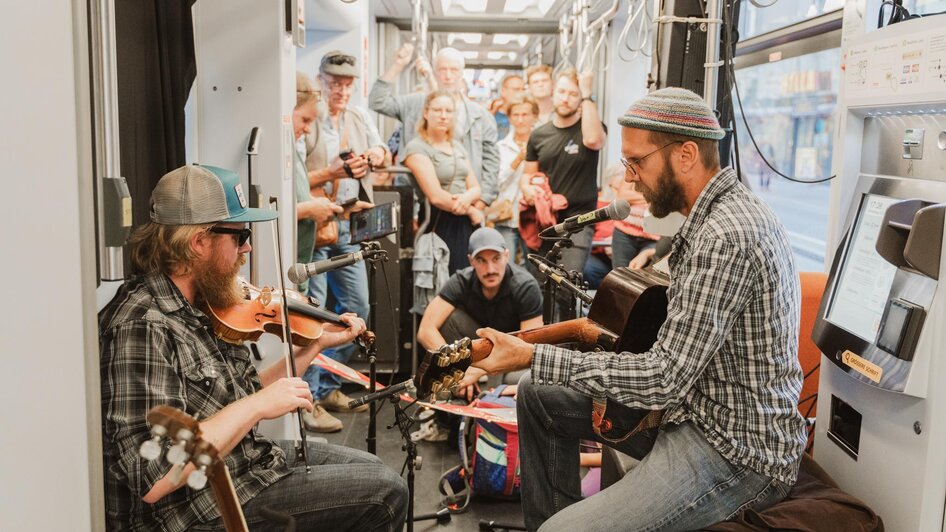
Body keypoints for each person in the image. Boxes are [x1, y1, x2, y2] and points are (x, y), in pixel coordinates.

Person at [472, 88, 806, 531]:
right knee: (538, 395)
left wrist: (534, 354)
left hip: (737, 451)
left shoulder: (728, 234)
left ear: (686, 154)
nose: (630, 179)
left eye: (637, 162)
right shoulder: (707, 219)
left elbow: (662, 380)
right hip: (694, 411)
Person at [99, 164, 408, 531]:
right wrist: (257, 406)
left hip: (245, 463)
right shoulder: (143, 325)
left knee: (377, 470)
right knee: (385, 492)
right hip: (195, 508)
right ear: (199, 242)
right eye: (241, 234)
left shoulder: (205, 302)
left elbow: (243, 396)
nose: (248, 247)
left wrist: (315, 345)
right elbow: (151, 477)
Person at [300, 51, 388, 433]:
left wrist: (373, 156)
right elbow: (296, 178)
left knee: (357, 308)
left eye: (347, 83)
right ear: (321, 80)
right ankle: (310, 398)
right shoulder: (306, 119)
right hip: (318, 227)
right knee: (314, 315)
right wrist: (332, 171)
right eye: (334, 81)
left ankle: (330, 385)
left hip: (350, 226)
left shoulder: (359, 115)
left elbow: (384, 152)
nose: (340, 89)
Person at [370, 43, 500, 209]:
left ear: (462, 73)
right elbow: (377, 101)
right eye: (442, 69)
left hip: (467, 201)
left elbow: (491, 162)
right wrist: (399, 65)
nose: (448, 76)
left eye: (453, 70)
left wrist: (482, 202)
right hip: (416, 200)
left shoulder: (481, 116)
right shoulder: (415, 104)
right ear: (433, 71)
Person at [520, 68, 607, 278]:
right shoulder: (539, 134)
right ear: (553, 93)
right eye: (562, 92)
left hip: (578, 221)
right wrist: (528, 189)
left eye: (573, 94)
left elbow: (594, 140)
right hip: (544, 220)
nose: (566, 98)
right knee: (541, 284)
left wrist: (587, 94)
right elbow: (527, 175)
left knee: (566, 285)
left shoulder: (589, 128)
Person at [402, 90, 483, 274]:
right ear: (426, 113)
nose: (443, 116)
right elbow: (436, 196)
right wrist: (470, 209)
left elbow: (476, 187)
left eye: (448, 111)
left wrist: (467, 199)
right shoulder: (417, 147)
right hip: (438, 219)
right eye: (437, 110)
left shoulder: (456, 145)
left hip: (464, 221)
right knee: (443, 278)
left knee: (468, 275)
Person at [293, 73, 343, 277]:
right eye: (304, 120)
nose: (307, 129)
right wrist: (308, 209)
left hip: (300, 266)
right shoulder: (272, 157)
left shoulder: (293, 152)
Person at [492, 93, 539, 265]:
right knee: (505, 266)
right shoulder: (500, 147)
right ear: (509, 117)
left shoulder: (543, 143)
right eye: (515, 115)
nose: (520, 120)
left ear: (534, 116)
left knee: (534, 268)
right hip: (506, 216)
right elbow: (495, 182)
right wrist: (518, 159)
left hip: (534, 218)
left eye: (525, 114)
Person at [607, 165, 659, 271]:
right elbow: (622, 196)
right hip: (624, 232)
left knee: (649, 281)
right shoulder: (635, 165)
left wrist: (634, 195)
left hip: (656, 237)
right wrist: (651, 197)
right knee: (620, 278)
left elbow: (665, 199)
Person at [488, 73, 525, 139]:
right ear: (503, 91)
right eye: (516, 89)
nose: (521, 93)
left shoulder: (528, 114)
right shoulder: (492, 114)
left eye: (523, 90)